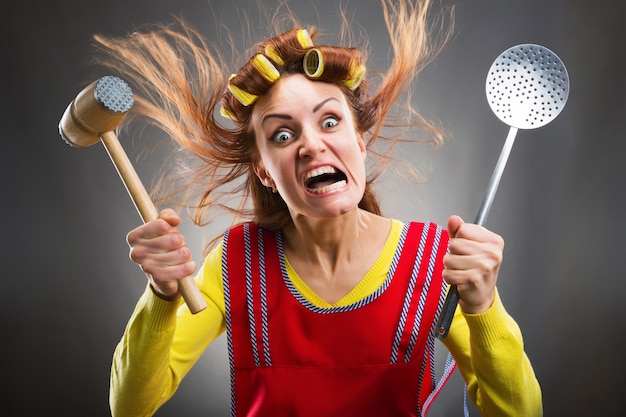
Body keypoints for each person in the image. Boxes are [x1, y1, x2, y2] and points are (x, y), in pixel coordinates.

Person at [94, 0, 542, 415]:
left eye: (330, 121)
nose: (311, 144)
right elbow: (130, 406)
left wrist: (484, 306)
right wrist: (161, 295)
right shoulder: (233, 264)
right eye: (283, 136)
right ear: (265, 171)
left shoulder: (438, 262)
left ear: (359, 142)